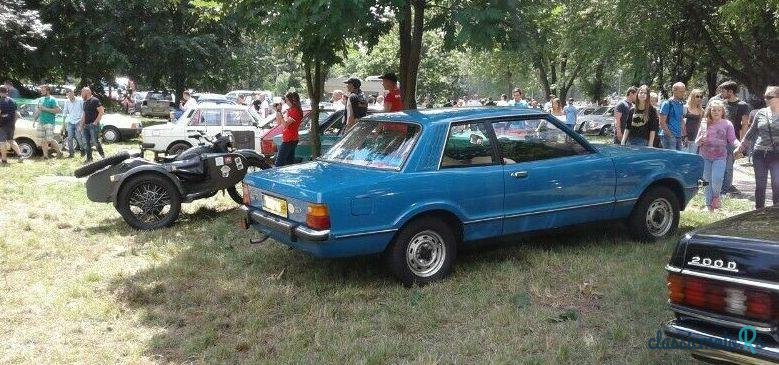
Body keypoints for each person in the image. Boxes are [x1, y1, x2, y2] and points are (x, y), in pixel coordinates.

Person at [736, 86, 779, 209]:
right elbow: (751, 132)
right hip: (759, 153)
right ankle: (758, 212)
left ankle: (775, 213)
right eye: (765, 96)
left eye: (769, 97)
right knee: (760, 185)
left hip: (777, 155)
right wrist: (740, 147)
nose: (766, 99)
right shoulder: (760, 113)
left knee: (777, 185)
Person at [695, 100, 739, 212]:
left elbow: (732, 139)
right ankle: (708, 205)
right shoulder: (705, 122)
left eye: (719, 110)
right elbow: (697, 141)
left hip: (720, 156)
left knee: (717, 179)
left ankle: (716, 197)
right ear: (709, 110)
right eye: (714, 110)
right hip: (705, 156)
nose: (716, 112)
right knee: (706, 180)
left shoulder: (727, 124)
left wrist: (739, 145)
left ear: (722, 111)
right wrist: (701, 139)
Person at [711, 81, 751, 195]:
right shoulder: (721, 104)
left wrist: (742, 143)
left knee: (728, 166)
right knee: (719, 164)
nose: (721, 93)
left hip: (732, 140)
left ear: (730, 91)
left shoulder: (742, 105)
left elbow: (744, 124)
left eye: (723, 91)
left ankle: (725, 190)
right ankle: (721, 187)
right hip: (718, 140)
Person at [274, 91, 304, 167]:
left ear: (292, 100)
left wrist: (280, 114)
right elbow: (279, 122)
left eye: (286, 100)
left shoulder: (295, 111)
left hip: (290, 139)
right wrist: (278, 111)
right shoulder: (290, 110)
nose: (285, 102)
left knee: (279, 162)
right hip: (289, 138)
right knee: (289, 162)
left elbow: (285, 125)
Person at [36, 85, 64, 159]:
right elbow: (39, 110)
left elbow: (58, 110)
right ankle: (45, 156)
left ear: (47, 91)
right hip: (41, 122)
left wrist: (46, 109)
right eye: (41, 90)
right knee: (42, 140)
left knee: (50, 139)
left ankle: (59, 152)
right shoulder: (41, 99)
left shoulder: (53, 99)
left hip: (49, 122)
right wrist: (34, 120)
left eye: (43, 90)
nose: (41, 91)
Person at [659, 82, 687, 150]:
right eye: (681, 91)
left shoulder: (681, 104)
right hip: (668, 137)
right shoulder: (667, 103)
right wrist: (670, 135)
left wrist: (685, 135)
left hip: (679, 136)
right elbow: (662, 122)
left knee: (678, 159)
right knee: (670, 159)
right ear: (674, 90)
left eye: (684, 91)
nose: (683, 93)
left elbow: (681, 120)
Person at [80, 87, 105, 162]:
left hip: (93, 125)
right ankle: (89, 158)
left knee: (95, 141)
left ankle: (103, 156)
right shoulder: (84, 102)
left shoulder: (95, 100)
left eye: (82, 92)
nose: (81, 94)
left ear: (87, 92)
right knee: (86, 143)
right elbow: (84, 114)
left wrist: (95, 122)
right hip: (86, 126)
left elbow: (101, 111)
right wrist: (81, 125)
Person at [0, 86, 24, 164]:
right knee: (11, 140)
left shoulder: (1, 101)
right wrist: (13, 123)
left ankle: (4, 160)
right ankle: (20, 155)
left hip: (2, 125)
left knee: (2, 142)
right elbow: (17, 114)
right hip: (11, 125)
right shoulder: (13, 101)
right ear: (7, 91)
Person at [62, 90, 85, 158]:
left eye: (70, 95)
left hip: (79, 121)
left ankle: (82, 150)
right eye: (68, 96)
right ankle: (71, 153)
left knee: (79, 137)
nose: (69, 97)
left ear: (73, 94)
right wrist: (63, 124)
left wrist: (82, 122)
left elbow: (84, 111)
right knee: (69, 138)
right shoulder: (67, 101)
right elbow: (65, 112)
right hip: (70, 122)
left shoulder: (80, 100)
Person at [683, 89, 705, 154]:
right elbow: (681, 123)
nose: (699, 98)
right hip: (684, 137)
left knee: (692, 157)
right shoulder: (685, 108)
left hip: (695, 138)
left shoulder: (701, 110)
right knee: (684, 157)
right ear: (692, 97)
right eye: (697, 96)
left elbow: (700, 124)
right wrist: (684, 136)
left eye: (701, 97)